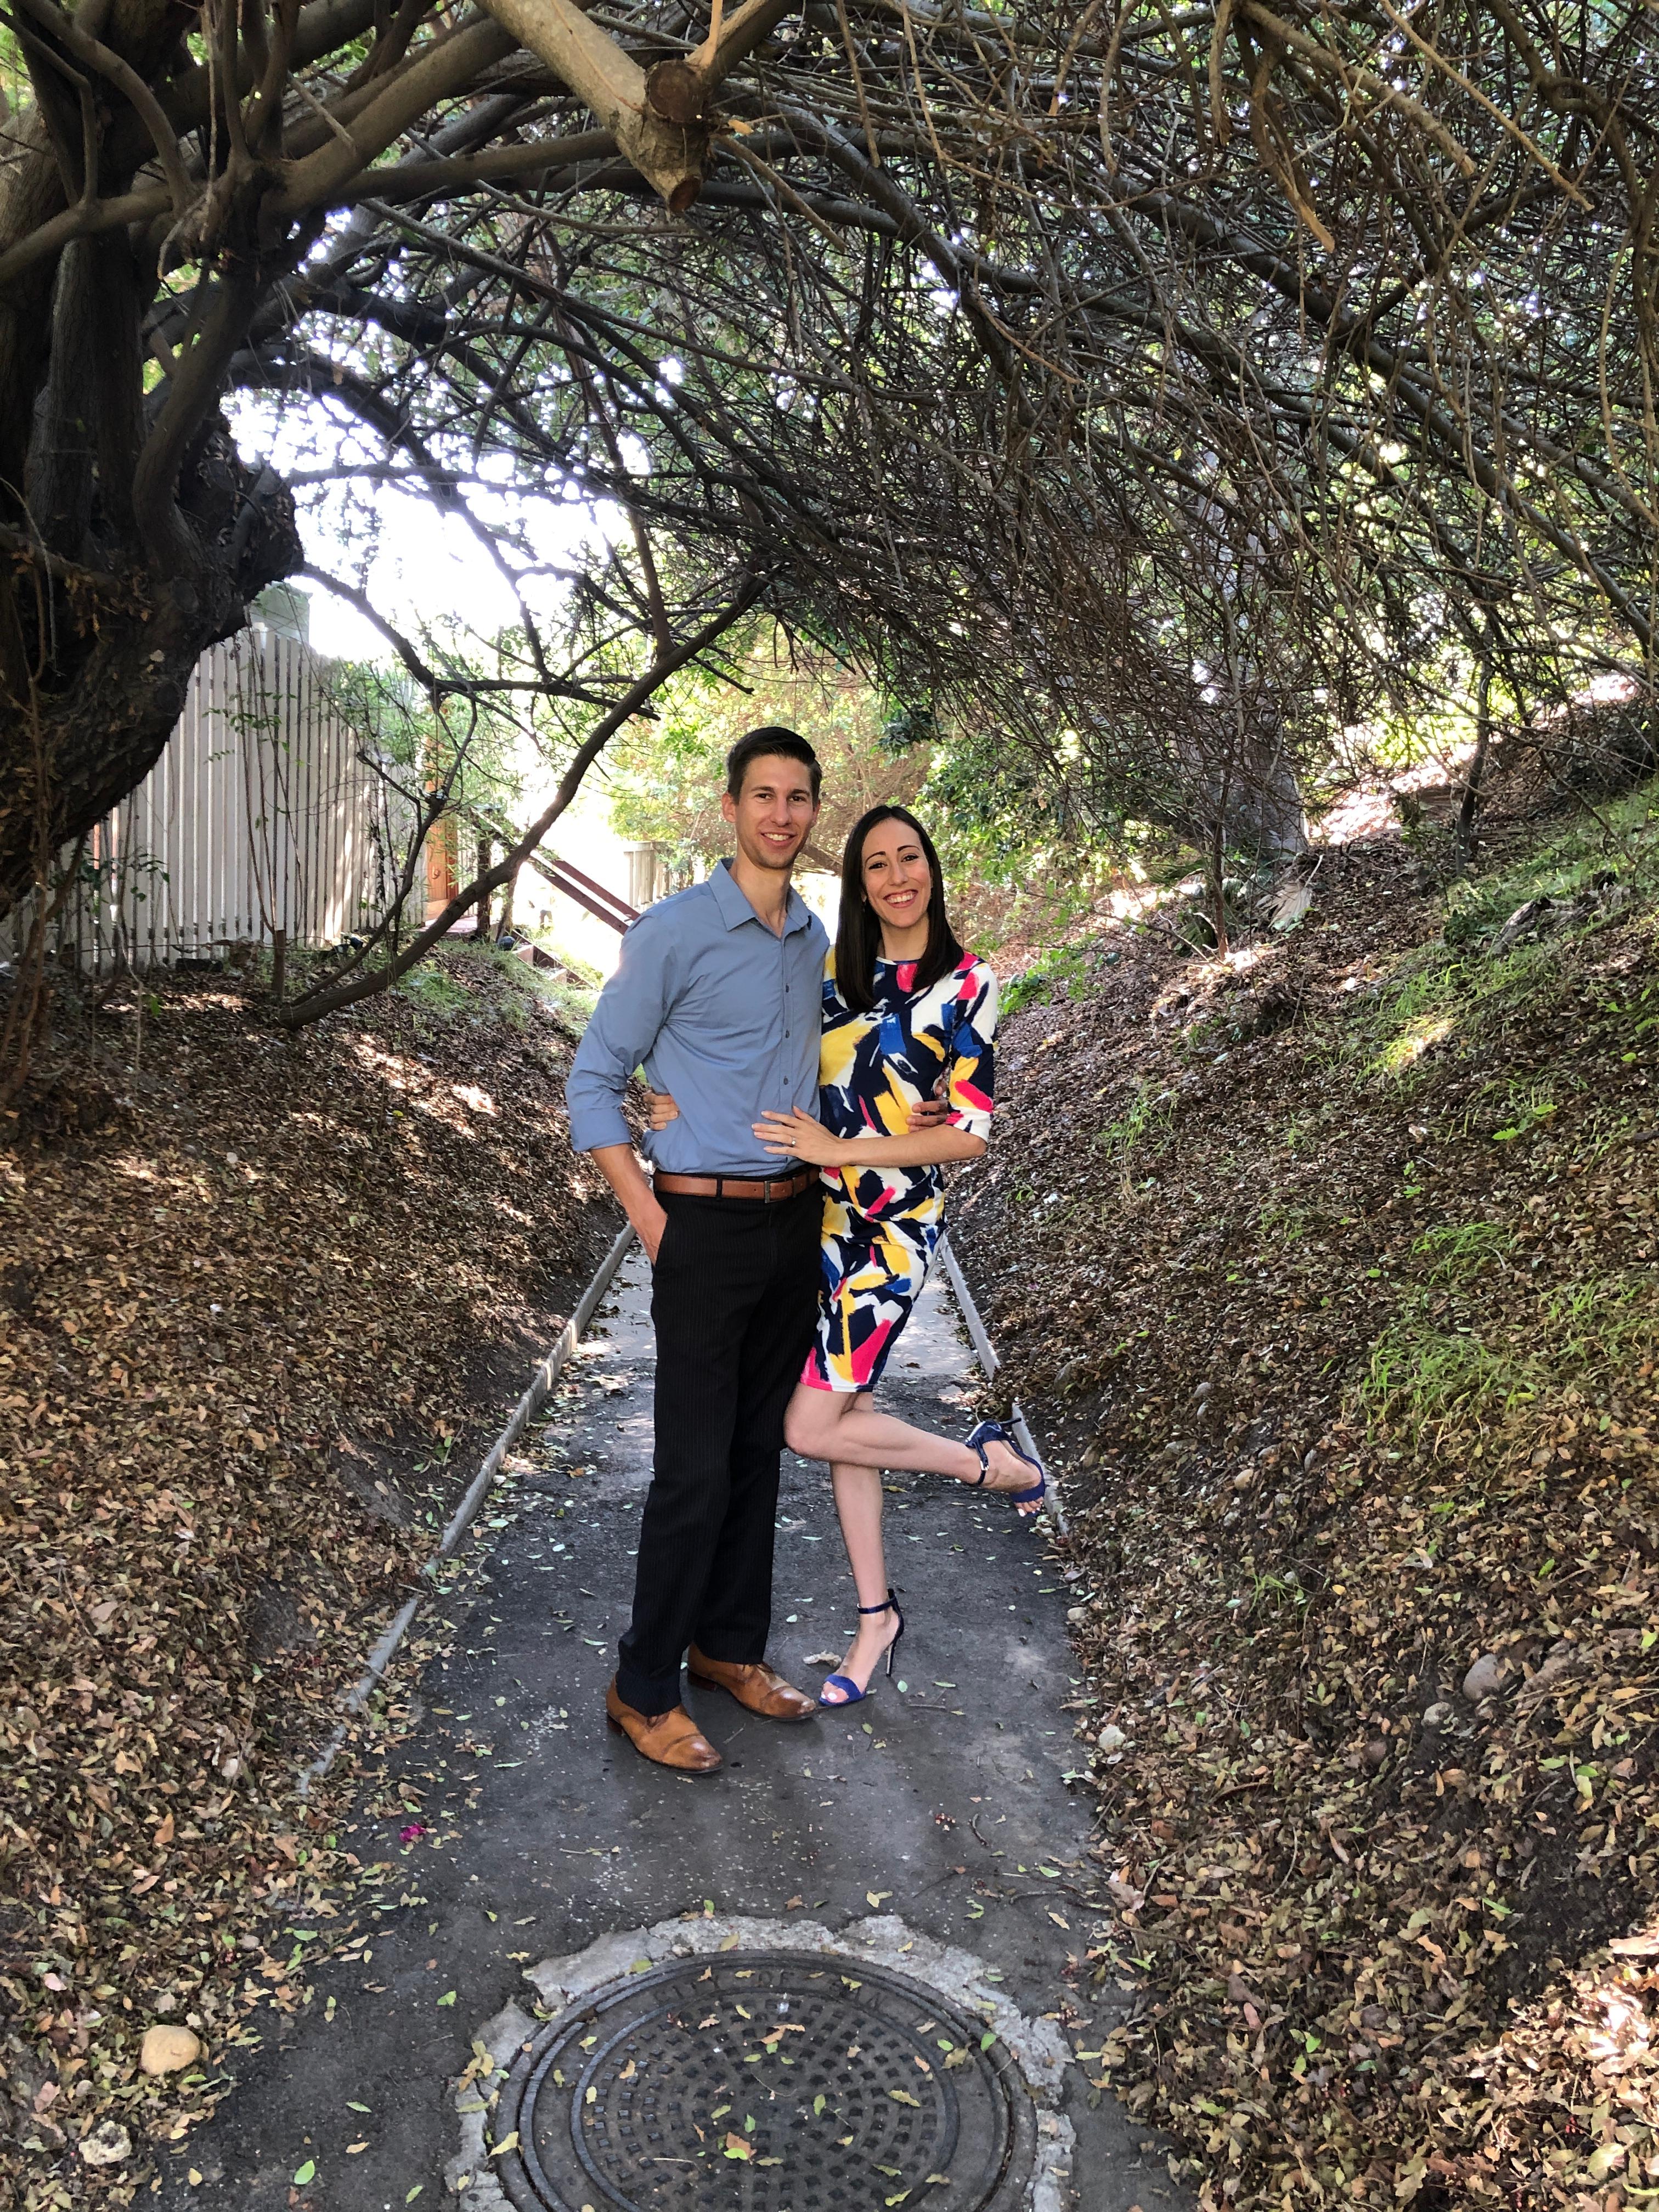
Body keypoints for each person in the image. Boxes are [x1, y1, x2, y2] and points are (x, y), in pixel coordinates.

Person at [652, 803, 1042, 1712]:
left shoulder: (971, 986)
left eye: (911, 857)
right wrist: (669, 1097)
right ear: (859, 882)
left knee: (810, 1425)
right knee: (849, 1416)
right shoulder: (834, 976)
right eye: (877, 864)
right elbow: (745, 1046)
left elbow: (970, 1136)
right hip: (804, 1224)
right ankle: (876, 1619)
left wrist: (843, 1150)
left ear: (933, 869)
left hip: (889, 1235)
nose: (897, 876)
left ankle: (993, 1465)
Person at [564, 727, 831, 1775]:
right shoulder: (672, 931)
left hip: (791, 1221)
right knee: (691, 1469)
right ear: (731, 807)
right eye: (762, 795)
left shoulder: (814, 939)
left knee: (758, 1453)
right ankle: (641, 1686)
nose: (780, 814)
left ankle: (726, 1648)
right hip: (700, 1226)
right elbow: (594, 1079)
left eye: (798, 797)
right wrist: (649, 1211)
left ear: (815, 810)